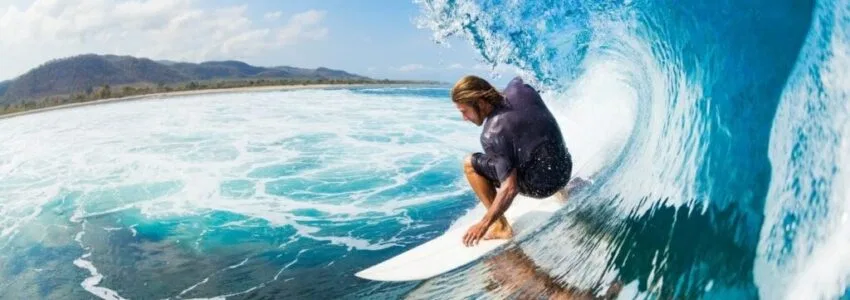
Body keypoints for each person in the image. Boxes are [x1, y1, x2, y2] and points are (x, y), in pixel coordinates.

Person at [452, 75, 573, 247]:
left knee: (469, 163)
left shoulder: (491, 134)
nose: (464, 117)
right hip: (564, 170)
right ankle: (564, 191)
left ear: (479, 102)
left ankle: (501, 227)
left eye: (464, 111)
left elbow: (510, 188)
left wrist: (483, 224)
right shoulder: (520, 88)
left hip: (542, 188)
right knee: (528, 139)